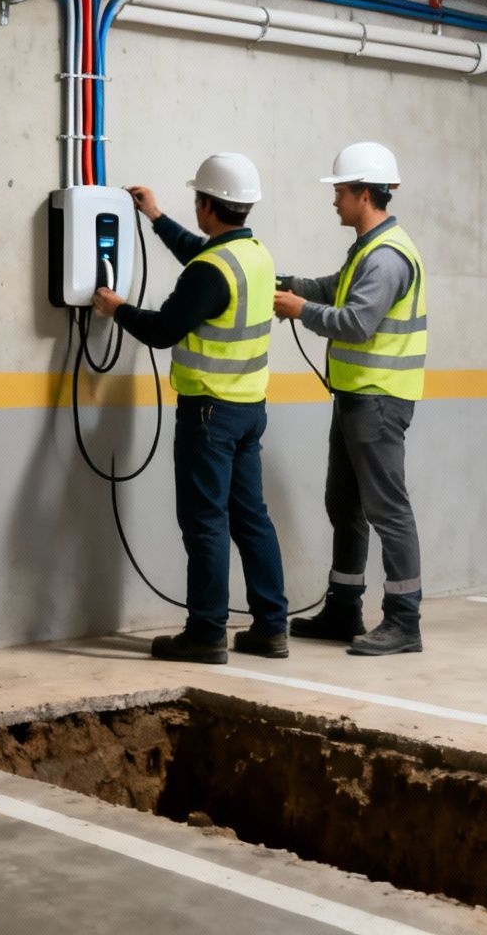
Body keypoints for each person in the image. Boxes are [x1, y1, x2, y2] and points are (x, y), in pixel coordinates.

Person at [93, 153, 288, 664]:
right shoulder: (255, 256)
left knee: (205, 522)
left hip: (209, 414)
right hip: (249, 409)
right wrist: (155, 217)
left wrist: (116, 309)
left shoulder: (210, 269)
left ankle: (205, 634)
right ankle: (271, 628)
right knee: (252, 519)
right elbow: (201, 258)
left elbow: (162, 331)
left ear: (207, 205)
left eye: (195, 200)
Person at [271, 141, 428, 657]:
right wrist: (289, 286)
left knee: (387, 510)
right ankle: (344, 608)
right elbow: (336, 288)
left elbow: (357, 322)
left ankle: (404, 621)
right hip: (356, 398)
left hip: (379, 401)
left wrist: (299, 310)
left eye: (339, 191)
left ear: (364, 193)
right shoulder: (368, 248)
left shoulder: (387, 258)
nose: (334, 200)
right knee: (344, 504)